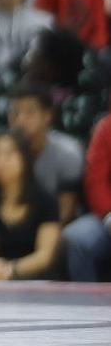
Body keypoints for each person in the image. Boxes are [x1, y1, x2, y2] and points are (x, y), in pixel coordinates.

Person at [0, 130, 62, 280]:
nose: (0, 161)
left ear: (25, 158)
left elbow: (45, 256)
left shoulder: (46, 201)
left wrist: (11, 270)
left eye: (8, 154)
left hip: (35, 281)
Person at [5, 83, 85, 220]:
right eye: (15, 113)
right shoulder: (3, 153)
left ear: (47, 115)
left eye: (29, 113)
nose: (20, 120)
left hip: (59, 223)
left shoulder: (68, 152)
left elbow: (65, 211)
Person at [61, 111, 111, 281]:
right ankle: (90, 304)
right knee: (76, 238)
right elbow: (95, 181)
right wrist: (108, 214)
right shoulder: (106, 127)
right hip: (108, 216)